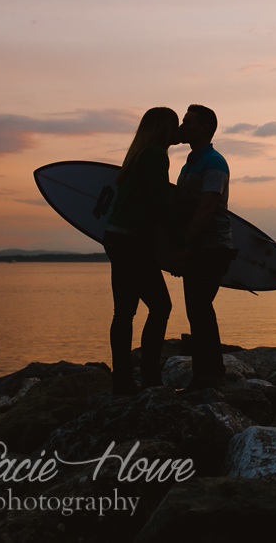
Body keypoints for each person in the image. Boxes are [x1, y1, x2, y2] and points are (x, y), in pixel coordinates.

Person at [103, 107, 184, 395]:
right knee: (161, 306)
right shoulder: (155, 156)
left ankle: (122, 380)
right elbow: (162, 204)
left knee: (124, 312)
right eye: (175, 124)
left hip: (116, 237)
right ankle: (149, 378)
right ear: (164, 128)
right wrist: (179, 245)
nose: (179, 130)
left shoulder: (139, 154)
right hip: (131, 242)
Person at [176, 104, 233, 389]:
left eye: (187, 122)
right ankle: (204, 374)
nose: (182, 126)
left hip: (213, 246)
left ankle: (211, 375)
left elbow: (206, 208)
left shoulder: (214, 162)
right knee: (195, 310)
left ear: (203, 128)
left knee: (199, 307)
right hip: (196, 245)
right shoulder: (191, 161)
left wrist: (183, 244)